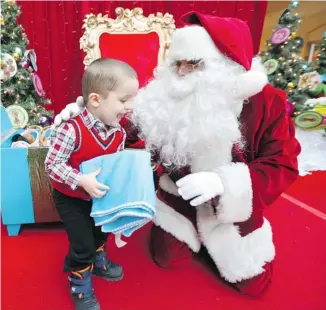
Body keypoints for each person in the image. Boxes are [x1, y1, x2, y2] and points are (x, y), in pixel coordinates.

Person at [54, 11, 301, 298]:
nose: (182, 73)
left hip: (230, 213)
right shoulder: (163, 96)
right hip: (177, 202)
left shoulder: (265, 102)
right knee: (167, 259)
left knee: (255, 287)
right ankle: (190, 235)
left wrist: (223, 183)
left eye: (193, 64)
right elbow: (123, 131)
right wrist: (87, 118)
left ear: (227, 64)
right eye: (177, 64)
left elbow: (282, 163)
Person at [45, 58, 139, 310]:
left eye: (132, 99)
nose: (130, 107)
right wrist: (80, 180)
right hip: (71, 198)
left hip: (98, 195)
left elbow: (114, 164)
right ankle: (79, 282)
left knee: (100, 231)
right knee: (82, 242)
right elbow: (52, 164)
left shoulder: (118, 133)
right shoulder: (70, 130)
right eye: (124, 100)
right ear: (96, 99)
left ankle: (98, 260)